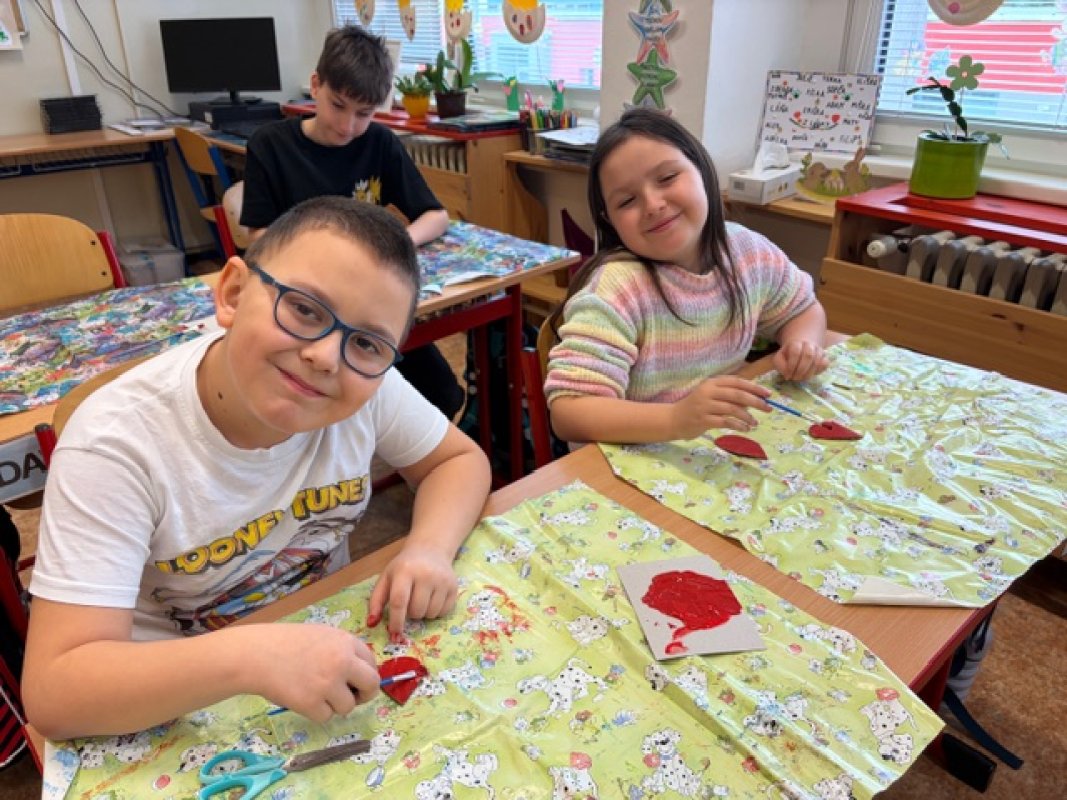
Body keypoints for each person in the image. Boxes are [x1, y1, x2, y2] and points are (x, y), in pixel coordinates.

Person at [23, 197, 491, 740]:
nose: (326, 357)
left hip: (317, 648)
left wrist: (429, 547)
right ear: (233, 293)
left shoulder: (369, 388)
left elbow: (458, 461)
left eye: (366, 343)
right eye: (305, 309)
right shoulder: (116, 443)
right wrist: (253, 657)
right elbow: (56, 692)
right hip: (168, 695)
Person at [544, 109, 830, 445]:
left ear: (701, 169)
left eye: (667, 178)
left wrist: (802, 344)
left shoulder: (747, 250)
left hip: (711, 442)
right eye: (627, 200)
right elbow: (569, 413)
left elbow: (802, 309)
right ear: (611, 221)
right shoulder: (615, 289)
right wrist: (676, 418)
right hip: (631, 454)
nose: (653, 205)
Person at [240, 24, 464, 420]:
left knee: (444, 394)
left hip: (366, 305)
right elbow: (258, 237)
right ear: (315, 85)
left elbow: (435, 216)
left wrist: (392, 244)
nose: (347, 126)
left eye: (364, 114)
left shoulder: (379, 142)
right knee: (329, 398)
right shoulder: (270, 145)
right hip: (303, 309)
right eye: (338, 105)